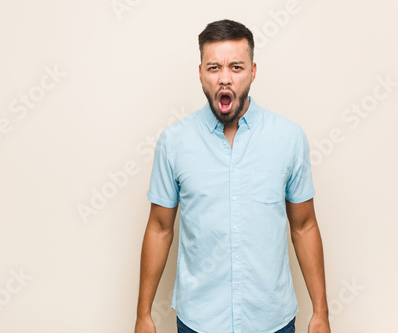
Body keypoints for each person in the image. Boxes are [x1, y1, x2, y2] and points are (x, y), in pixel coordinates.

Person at [134, 19, 331, 333]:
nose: (224, 79)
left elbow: (304, 226)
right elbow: (159, 228)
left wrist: (321, 313)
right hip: (198, 322)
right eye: (213, 67)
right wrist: (143, 315)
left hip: (272, 321)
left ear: (253, 71)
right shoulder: (174, 142)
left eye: (236, 67)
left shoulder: (289, 137)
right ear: (200, 73)